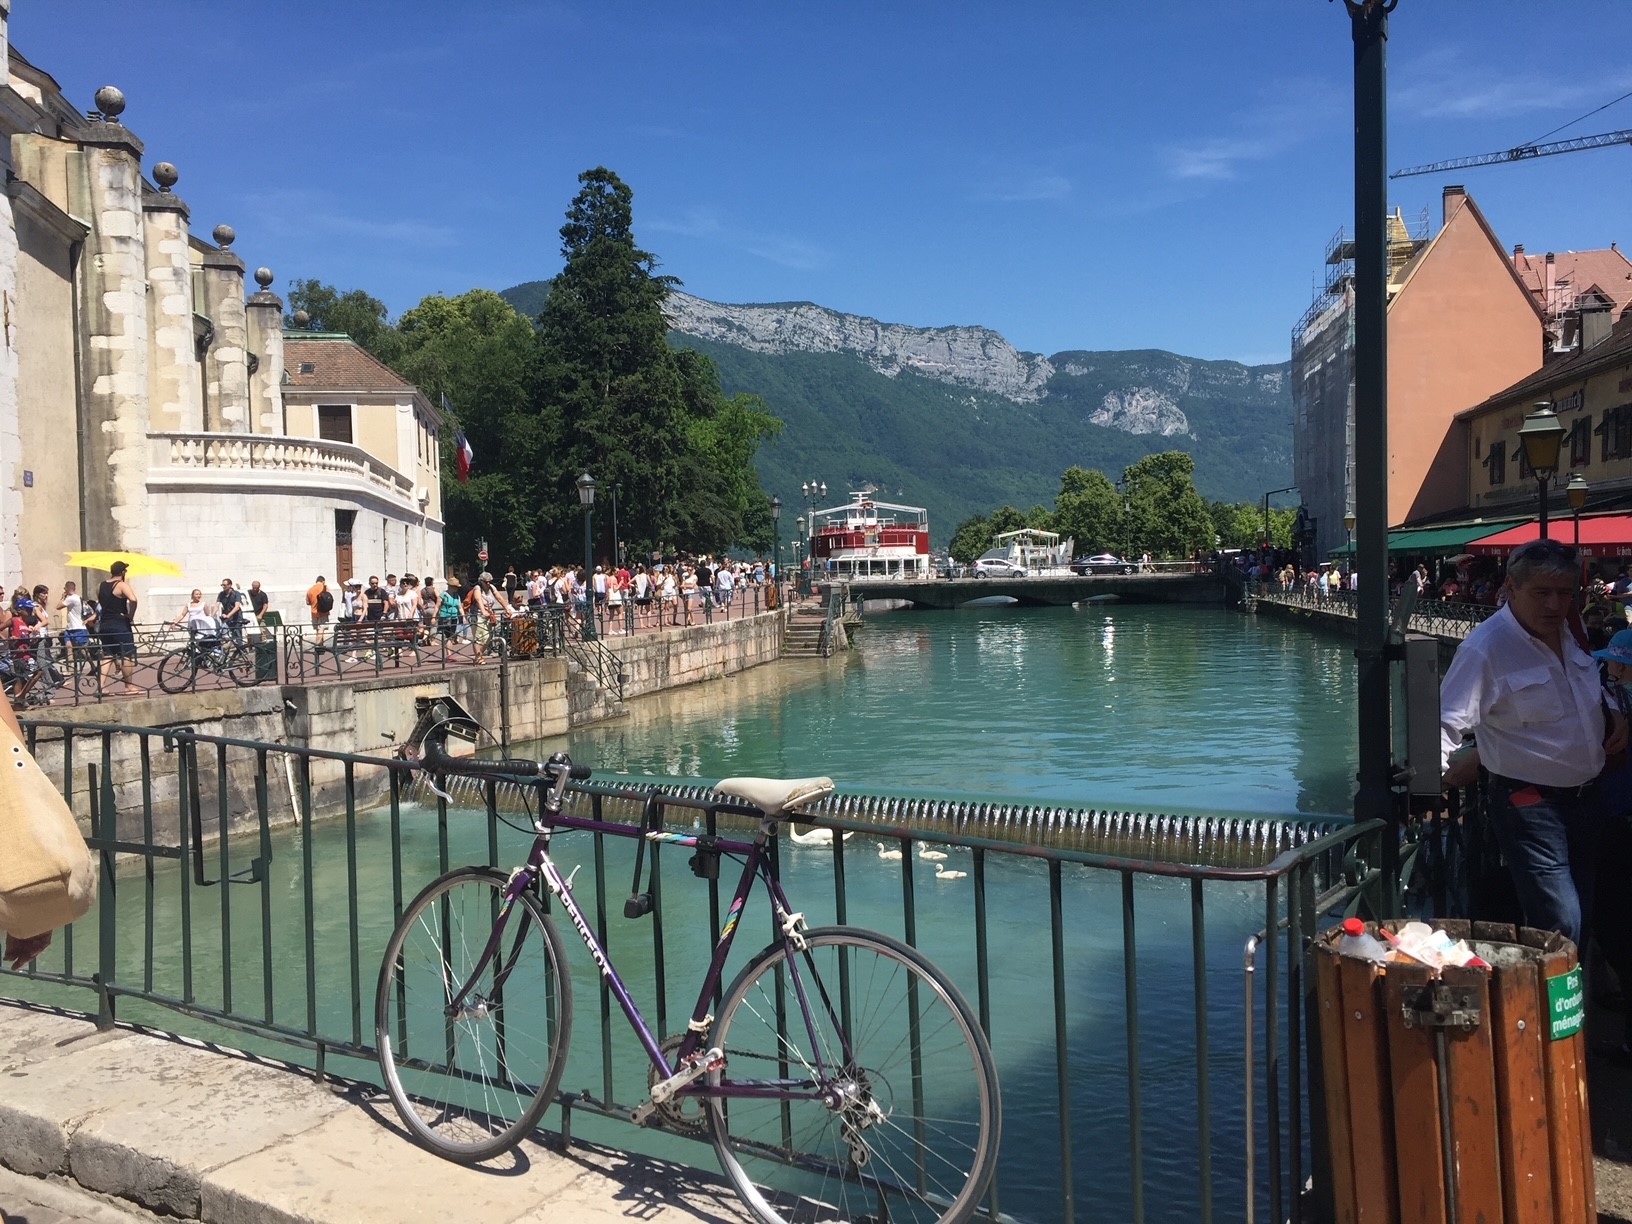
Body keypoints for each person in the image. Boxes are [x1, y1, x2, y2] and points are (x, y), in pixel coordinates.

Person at [1440, 538, 1626, 948]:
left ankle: (1567, 1003)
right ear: (1510, 588)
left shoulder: (1572, 629)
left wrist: (1611, 711)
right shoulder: (1485, 649)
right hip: (1531, 804)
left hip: (1589, 799)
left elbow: (1588, 682)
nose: (1555, 605)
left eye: (1564, 594)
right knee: (1562, 921)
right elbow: (1446, 723)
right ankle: (1555, 1008)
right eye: (1542, 593)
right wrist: (1430, 787)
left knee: (1583, 914)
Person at [95, 560, 140, 695]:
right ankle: (129, 686)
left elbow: (102, 603)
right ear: (122, 572)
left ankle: (101, 686)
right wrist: (130, 615)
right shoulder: (121, 585)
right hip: (119, 624)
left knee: (107, 655)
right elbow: (133, 599)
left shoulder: (100, 585)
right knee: (127, 654)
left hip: (104, 624)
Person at [215, 578, 246, 645]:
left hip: (236, 617)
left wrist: (228, 615)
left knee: (237, 634)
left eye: (225, 585)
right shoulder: (221, 594)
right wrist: (211, 615)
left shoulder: (236, 594)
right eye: (222, 585)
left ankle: (241, 650)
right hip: (226, 617)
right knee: (224, 634)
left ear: (230, 585)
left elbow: (237, 607)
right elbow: (217, 605)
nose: (223, 587)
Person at [306, 576, 333, 649]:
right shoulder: (324, 587)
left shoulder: (310, 590)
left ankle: (321, 645)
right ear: (323, 581)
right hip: (323, 612)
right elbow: (328, 598)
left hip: (314, 612)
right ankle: (318, 645)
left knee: (318, 629)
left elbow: (308, 602)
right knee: (322, 628)